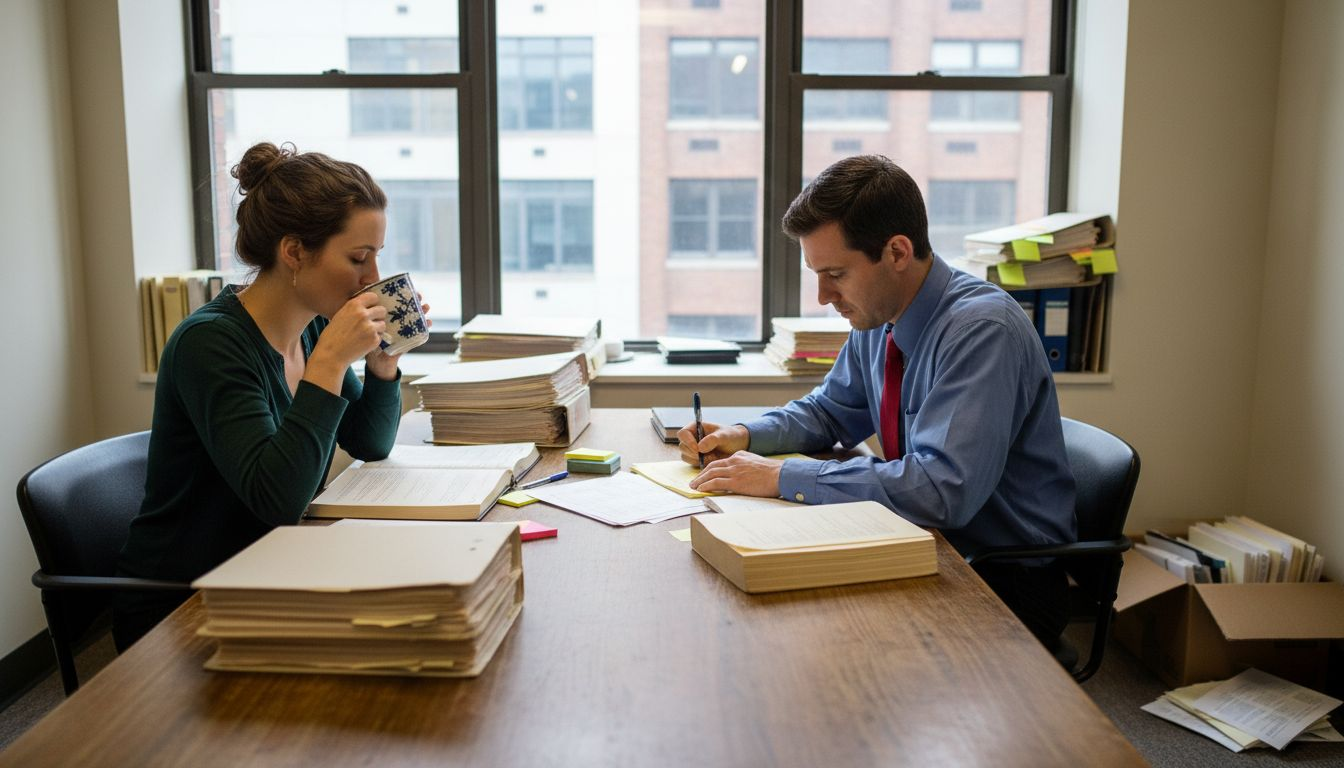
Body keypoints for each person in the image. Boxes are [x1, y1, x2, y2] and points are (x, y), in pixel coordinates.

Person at [678, 154, 1077, 648]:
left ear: (897, 251)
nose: (823, 296)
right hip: (924, 543)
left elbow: (941, 490)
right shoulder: (878, 315)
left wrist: (781, 476)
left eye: (836, 274)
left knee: (818, 649)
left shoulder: (981, 330)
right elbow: (830, 411)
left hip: (997, 577)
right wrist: (744, 435)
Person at [113, 142, 425, 651]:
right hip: (184, 606)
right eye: (358, 258)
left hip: (267, 572)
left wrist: (381, 365)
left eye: (377, 258)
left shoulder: (309, 328)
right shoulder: (210, 344)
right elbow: (277, 499)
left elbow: (370, 442)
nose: (372, 278)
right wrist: (327, 365)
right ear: (295, 252)